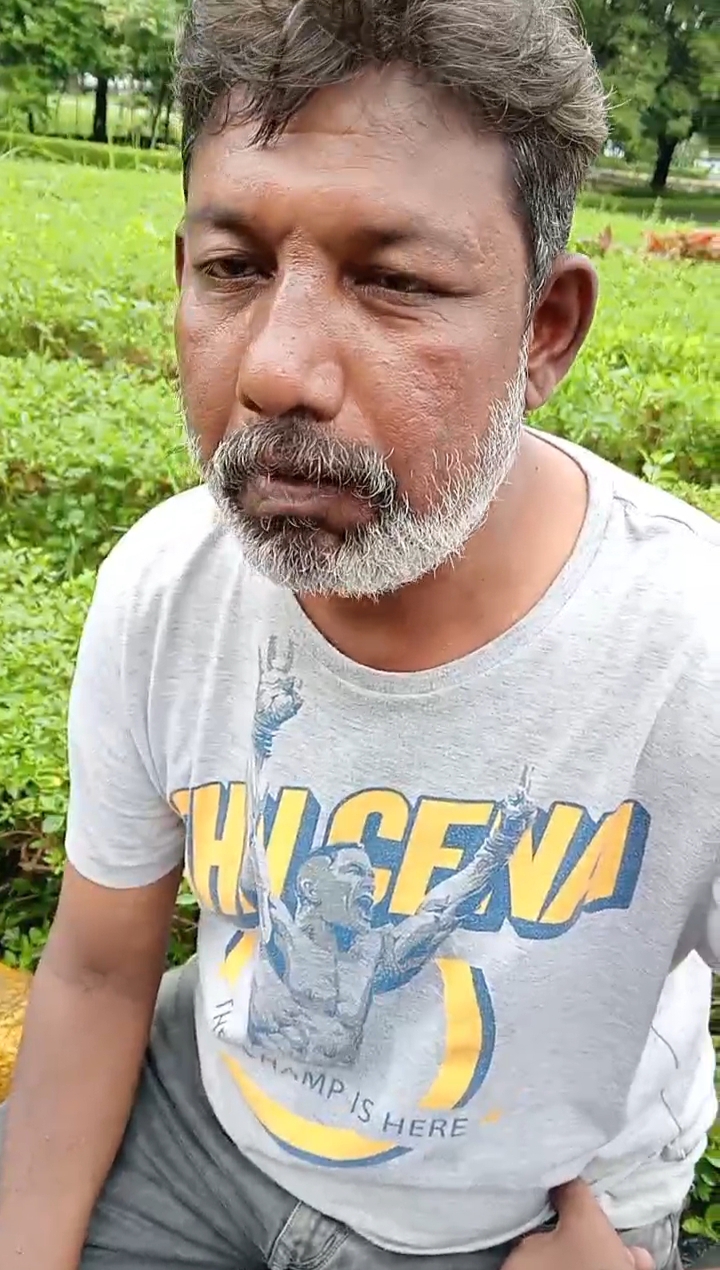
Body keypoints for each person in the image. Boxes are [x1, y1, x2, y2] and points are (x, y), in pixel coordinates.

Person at [0, 0, 717, 1267]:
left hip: (527, 1224)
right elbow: (103, 973)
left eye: (395, 281)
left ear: (545, 329)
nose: (275, 371)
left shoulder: (688, 645)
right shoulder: (165, 587)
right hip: (199, 1136)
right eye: (234, 268)